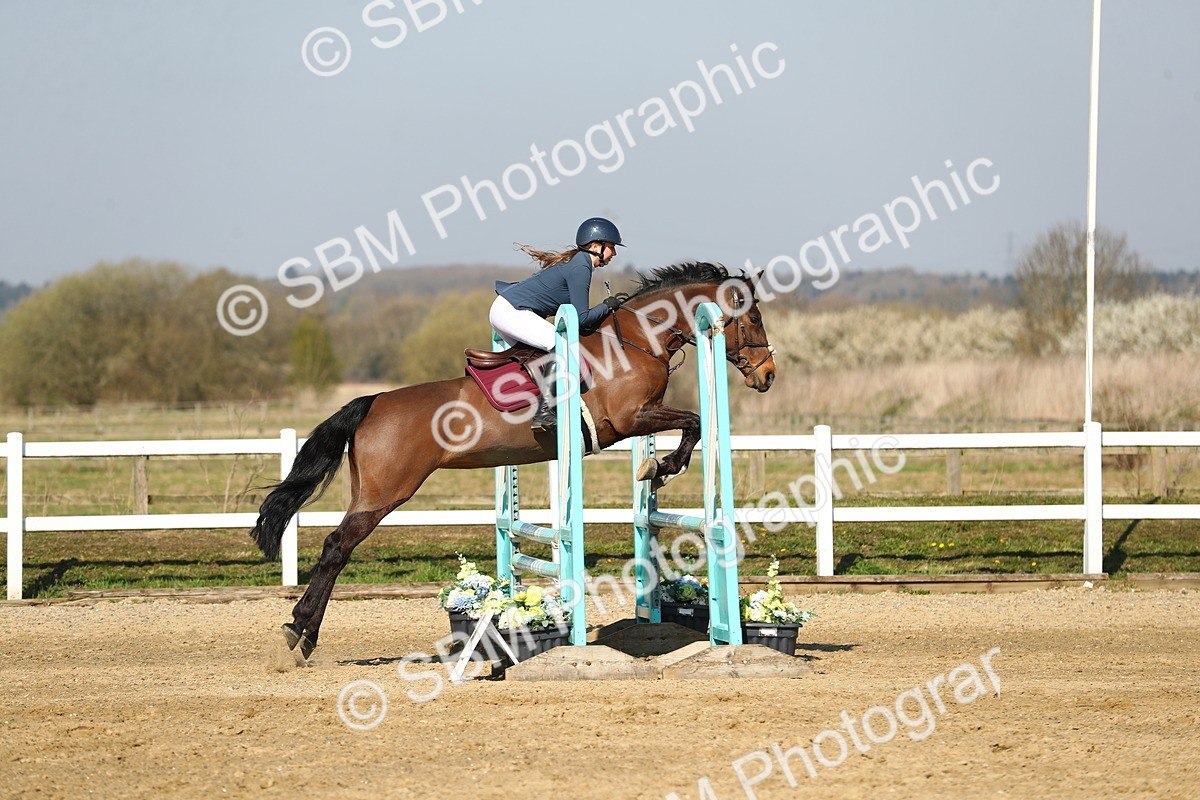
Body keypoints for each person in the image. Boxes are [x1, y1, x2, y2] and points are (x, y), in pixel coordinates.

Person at [490, 217, 626, 431]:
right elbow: (580, 319)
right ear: (595, 246)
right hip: (511, 311)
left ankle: (527, 404)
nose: (614, 254)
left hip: (506, 309)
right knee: (559, 345)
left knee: (538, 355)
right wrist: (608, 306)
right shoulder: (581, 265)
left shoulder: (578, 261)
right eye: (611, 247)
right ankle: (544, 412)